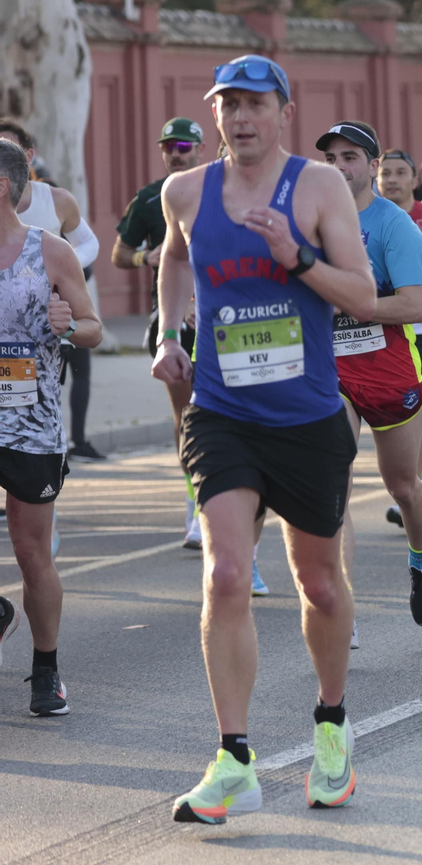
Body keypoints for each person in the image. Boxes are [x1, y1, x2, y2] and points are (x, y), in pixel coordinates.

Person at [157, 54, 376, 820]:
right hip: (222, 412)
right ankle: (233, 759)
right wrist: (168, 333)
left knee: (317, 581)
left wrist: (298, 257)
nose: (240, 118)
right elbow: (174, 255)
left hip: (308, 416)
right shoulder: (184, 191)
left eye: (254, 104)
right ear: (215, 115)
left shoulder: (316, 187)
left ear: (283, 109)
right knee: (224, 574)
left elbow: (365, 294)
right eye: (228, 105)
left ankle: (332, 725)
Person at [316, 121, 422, 631]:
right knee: (333, 488)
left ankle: (421, 560)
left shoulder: (394, 225)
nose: (340, 168)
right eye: (331, 159)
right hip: (331, 371)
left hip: (389, 368)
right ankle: (338, 605)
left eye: (350, 158)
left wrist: (354, 304)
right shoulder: (311, 222)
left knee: (404, 486)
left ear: (372, 167)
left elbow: (413, 305)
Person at [0, 136, 102, 716]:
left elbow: (93, 328)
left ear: (3, 187)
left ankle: (46, 671)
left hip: (32, 423)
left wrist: (68, 325)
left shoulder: (52, 252)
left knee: (30, 550)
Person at [112, 117, 208, 547]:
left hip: (225, 319)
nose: (175, 153)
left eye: (184, 145)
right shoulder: (151, 198)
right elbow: (120, 252)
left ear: (201, 149)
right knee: (186, 415)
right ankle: (194, 504)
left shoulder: (222, 189)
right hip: (172, 322)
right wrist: (143, 260)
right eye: (168, 146)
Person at [0, 120, 102, 463]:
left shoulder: (54, 206)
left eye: (9, 148)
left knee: (77, 376)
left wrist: (57, 276)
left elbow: (89, 244)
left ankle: (79, 438)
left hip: (33, 416)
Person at [377, 149, 422, 518]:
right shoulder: (364, 217)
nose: (392, 179)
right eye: (386, 172)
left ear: (414, 180)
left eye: (401, 172)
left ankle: (408, 485)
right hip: (378, 325)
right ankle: (417, 444)